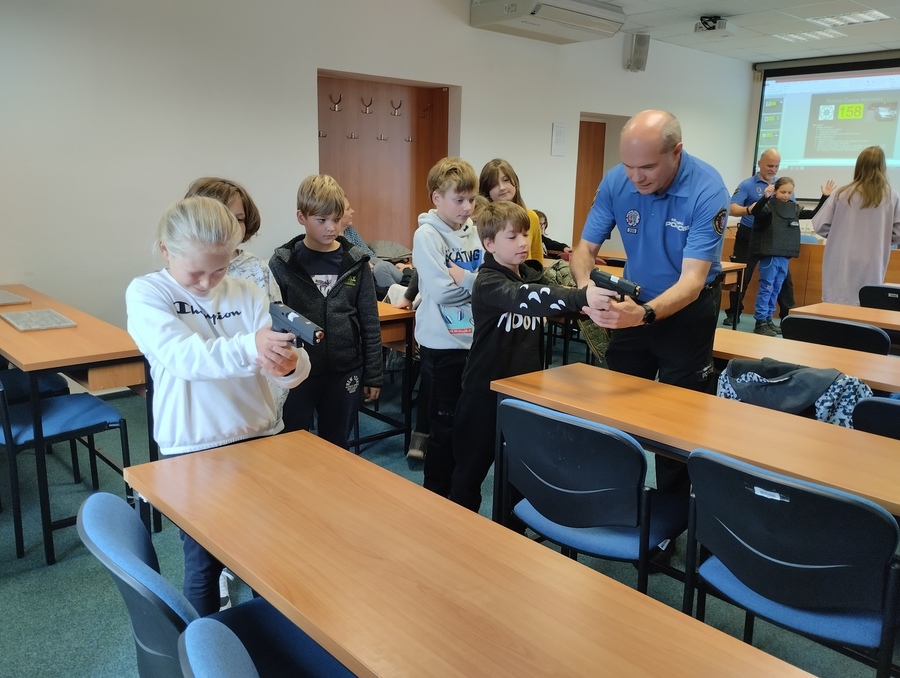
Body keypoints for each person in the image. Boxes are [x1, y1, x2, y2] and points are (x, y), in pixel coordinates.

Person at [126, 196, 310, 616]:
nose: (207, 283)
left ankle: (272, 637)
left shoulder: (248, 293)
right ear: (165, 250)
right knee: (204, 563)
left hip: (259, 437)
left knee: (268, 553)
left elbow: (291, 364)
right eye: (195, 272)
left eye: (220, 269)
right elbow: (184, 358)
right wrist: (253, 347)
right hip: (192, 446)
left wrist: (289, 365)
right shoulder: (147, 292)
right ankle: (206, 645)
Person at [571, 110, 729, 499]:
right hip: (634, 302)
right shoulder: (617, 181)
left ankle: (673, 511)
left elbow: (692, 282)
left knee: (678, 418)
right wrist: (586, 291)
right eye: (628, 165)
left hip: (687, 310)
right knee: (618, 407)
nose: (636, 177)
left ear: (676, 152)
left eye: (647, 167)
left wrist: (645, 314)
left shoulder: (708, 190)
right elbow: (584, 250)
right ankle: (615, 498)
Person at [449, 201, 605, 512]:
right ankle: (459, 531)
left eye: (525, 234)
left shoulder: (531, 276)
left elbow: (557, 300)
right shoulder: (488, 282)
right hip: (483, 394)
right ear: (490, 244)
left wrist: (596, 303)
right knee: (468, 474)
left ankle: (512, 535)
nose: (522, 242)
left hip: (523, 394)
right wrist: (579, 296)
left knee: (519, 478)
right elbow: (526, 298)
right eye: (512, 237)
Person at [269, 175, 383, 449]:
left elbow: (370, 321)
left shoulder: (356, 261)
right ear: (302, 217)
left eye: (336, 219)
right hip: (297, 371)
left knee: (337, 445)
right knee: (293, 444)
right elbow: (272, 322)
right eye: (321, 220)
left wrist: (373, 375)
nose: (331, 228)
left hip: (345, 370)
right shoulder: (282, 263)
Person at [413, 157, 483, 497]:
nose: (467, 207)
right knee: (442, 431)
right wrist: (476, 285)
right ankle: (436, 497)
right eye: (459, 199)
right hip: (441, 348)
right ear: (437, 198)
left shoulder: (473, 233)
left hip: (473, 343)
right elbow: (441, 292)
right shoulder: (426, 235)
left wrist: (466, 280)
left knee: (467, 427)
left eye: (472, 199)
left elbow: (490, 280)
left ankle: (460, 498)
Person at [813, 146, 900, 305]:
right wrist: (883, 237)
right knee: (866, 304)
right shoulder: (892, 196)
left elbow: (820, 225)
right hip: (873, 261)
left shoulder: (842, 193)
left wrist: (838, 234)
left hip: (841, 260)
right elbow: (898, 234)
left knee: (836, 306)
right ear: (883, 167)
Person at [748, 177, 834, 336]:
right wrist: (765, 197)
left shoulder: (794, 208)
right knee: (766, 288)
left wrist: (825, 197)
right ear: (775, 191)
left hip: (784, 255)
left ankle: (768, 319)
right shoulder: (768, 206)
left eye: (789, 192)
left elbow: (813, 213)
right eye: (782, 192)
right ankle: (760, 321)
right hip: (770, 255)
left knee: (776, 289)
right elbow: (756, 212)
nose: (786, 195)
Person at [724, 149, 795, 326]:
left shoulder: (783, 185)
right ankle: (734, 313)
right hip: (749, 234)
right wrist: (749, 209)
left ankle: (787, 317)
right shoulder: (747, 185)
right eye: (770, 165)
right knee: (742, 275)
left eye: (776, 166)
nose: (773, 169)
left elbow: (792, 209)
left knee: (784, 279)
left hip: (774, 238)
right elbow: (732, 208)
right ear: (760, 164)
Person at [339, 197, 413, 292]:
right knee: (380, 267)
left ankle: (406, 282)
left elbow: (369, 254)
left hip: (373, 269)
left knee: (379, 265)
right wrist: (365, 265)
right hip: (361, 274)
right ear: (338, 213)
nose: (352, 211)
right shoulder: (332, 240)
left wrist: (370, 264)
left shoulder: (350, 231)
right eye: (348, 208)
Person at [479, 158, 543, 263]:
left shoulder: (531, 216)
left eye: (506, 180)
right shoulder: (482, 221)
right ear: (486, 190)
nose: (502, 187)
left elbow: (537, 256)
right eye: (494, 184)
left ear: (515, 182)